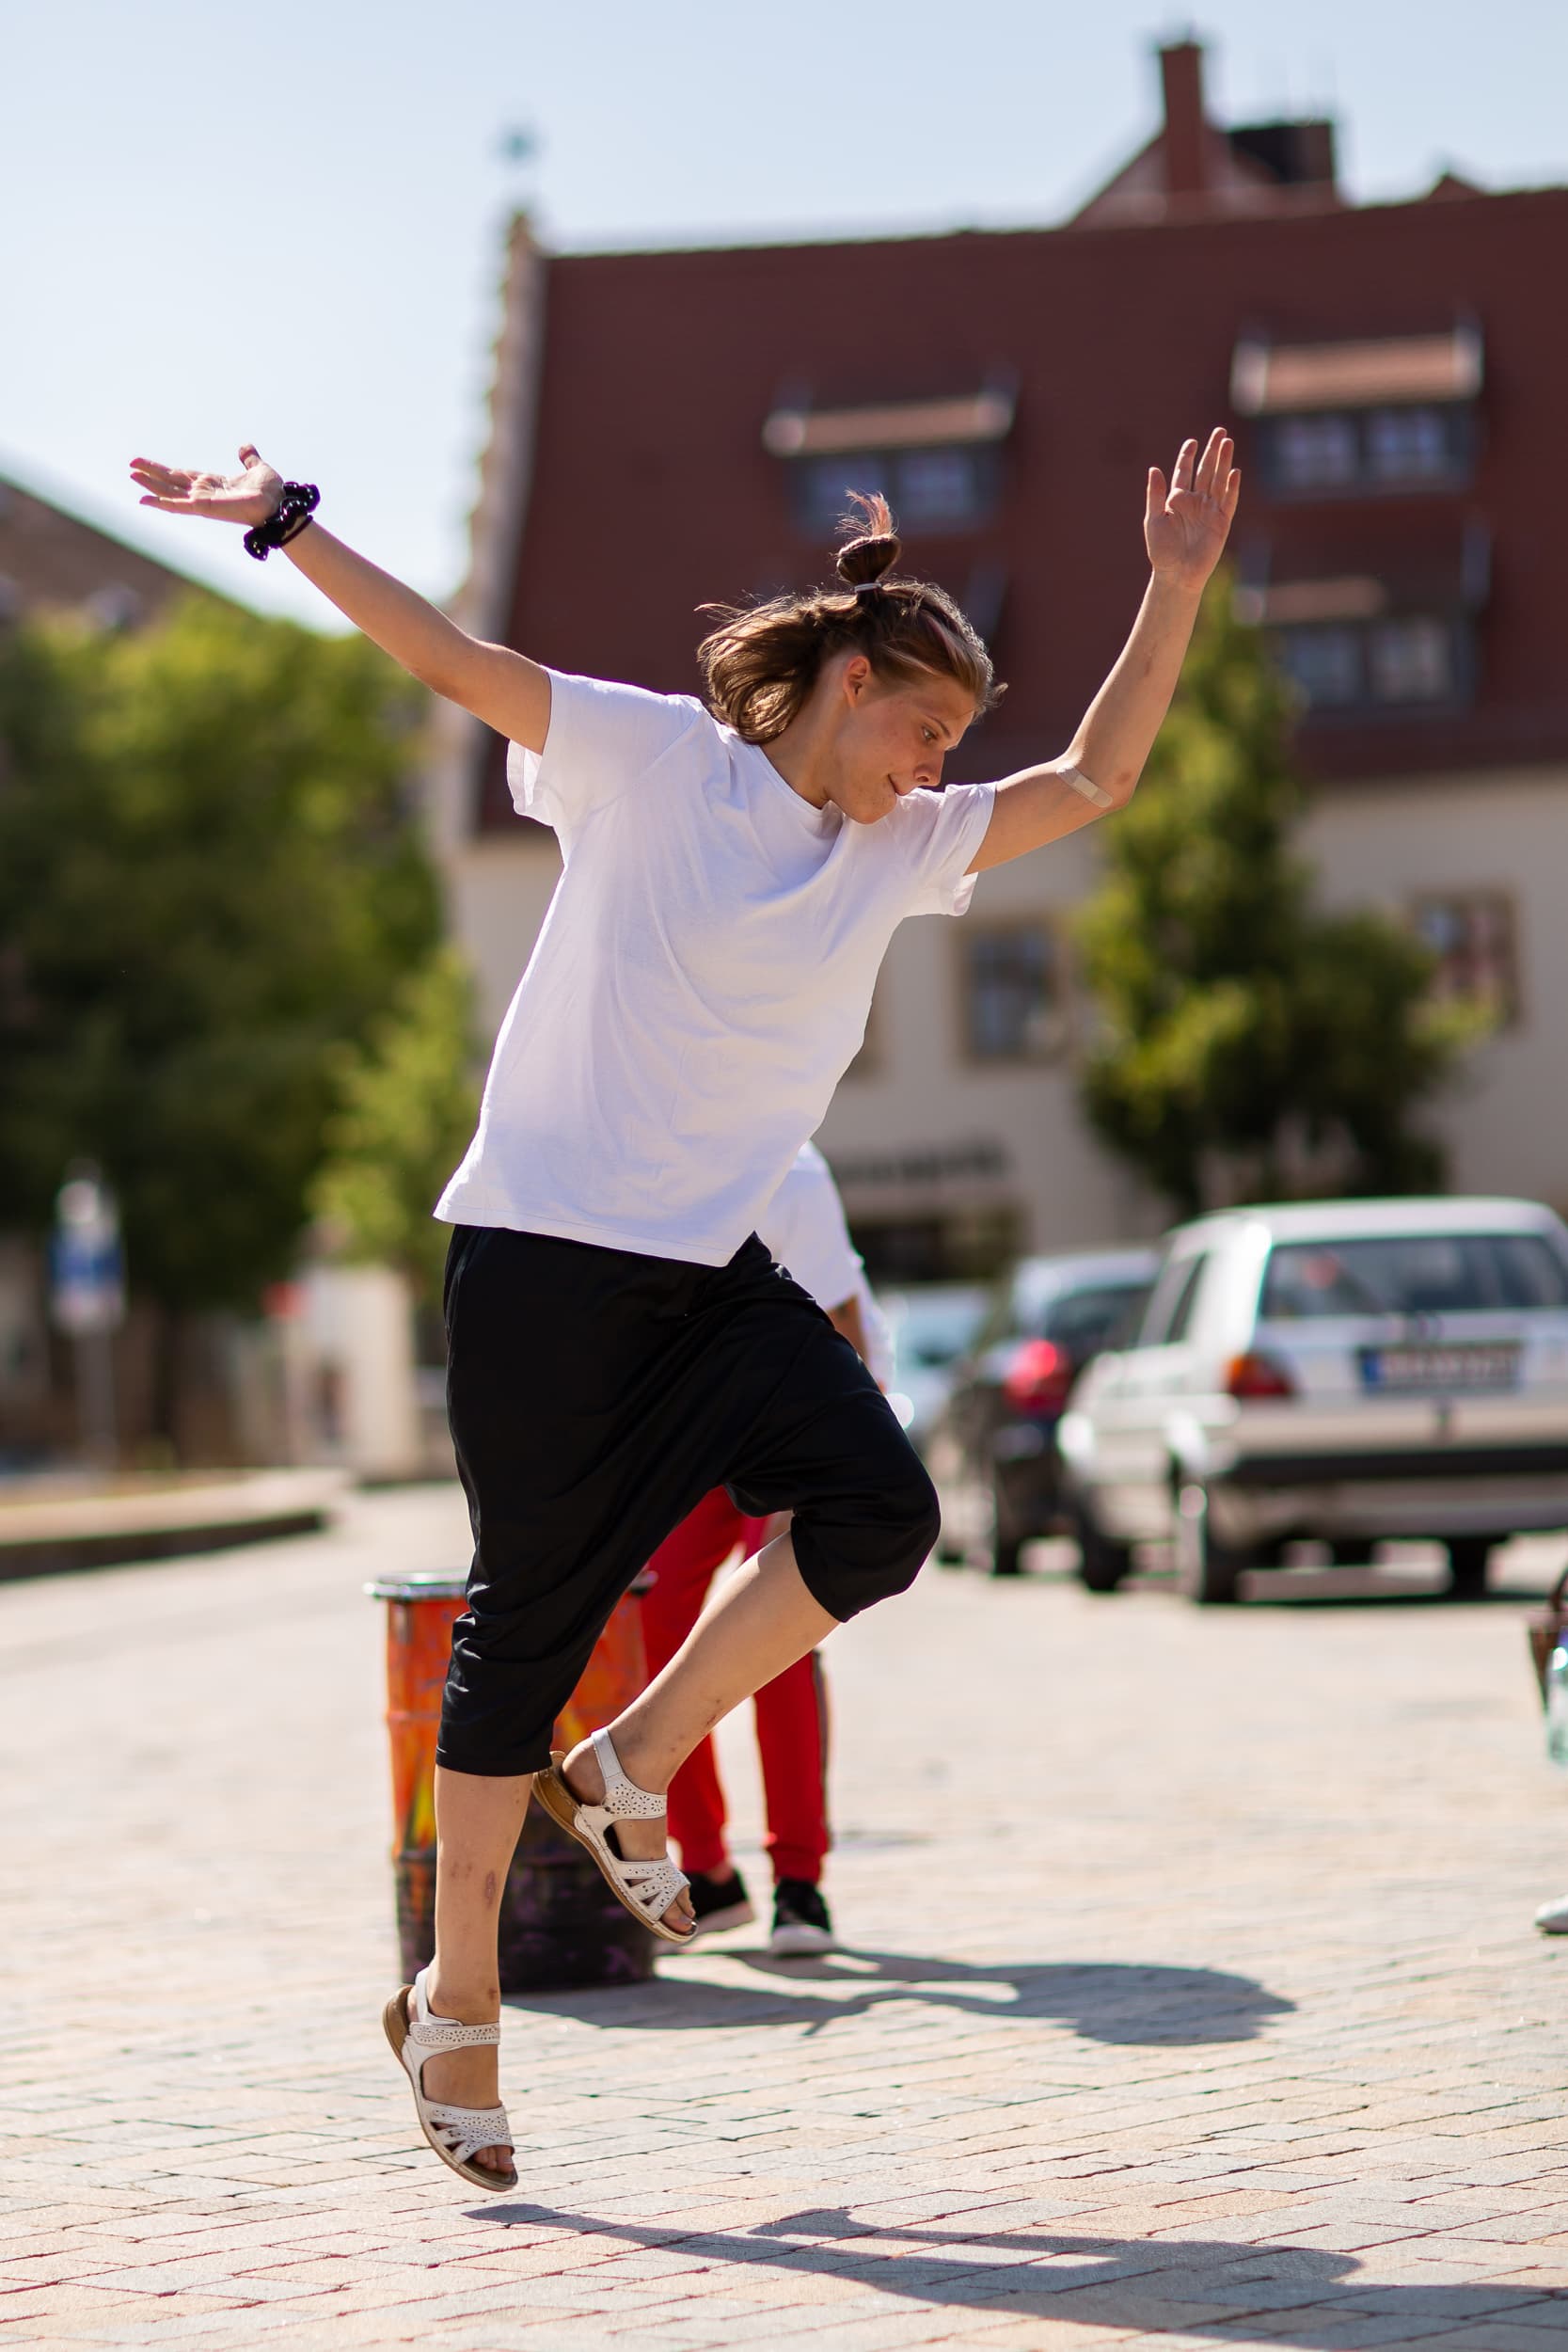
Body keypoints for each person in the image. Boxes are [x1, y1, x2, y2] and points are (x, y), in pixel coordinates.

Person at [130, 430, 1240, 2190]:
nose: (938, 774)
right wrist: (283, 527)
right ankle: (460, 2000)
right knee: (522, 1626)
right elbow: (451, 662)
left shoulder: (900, 851)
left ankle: (636, 1762)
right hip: (539, 1261)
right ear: (848, 681)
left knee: (883, 1509)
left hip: (710, 1273)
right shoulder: (654, 764)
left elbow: (1096, 781)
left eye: (951, 757)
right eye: (923, 735)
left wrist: (1172, 587)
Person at [642, 1141, 894, 1956]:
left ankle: (800, 1882)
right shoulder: (644, 1162)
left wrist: (815, 1486)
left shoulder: (791, 1167)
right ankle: (707, 1871)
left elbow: (843, 1322)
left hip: (803, 1409)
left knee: (776, 1635)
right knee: (654, 1612)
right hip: (699, 1424)